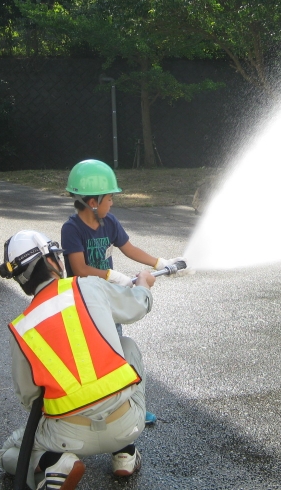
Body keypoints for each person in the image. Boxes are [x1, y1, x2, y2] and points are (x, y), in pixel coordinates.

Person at [0, 230, 154, 490]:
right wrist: (144, 285)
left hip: (67, 437)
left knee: (8, 453)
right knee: (127, 346)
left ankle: (53, 463)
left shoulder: (22, 329)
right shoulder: (88, 285)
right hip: (127, 423)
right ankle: (125, 453)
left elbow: (30, 399)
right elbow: (138, 305)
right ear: (51, 262)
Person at [61, 158, 183, 425]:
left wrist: (159, 263)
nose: (112, 202)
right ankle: (93, 409)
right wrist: (110, 275)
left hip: (108, 301)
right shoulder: (71, 229)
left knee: (117, 352)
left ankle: (129, 407)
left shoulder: (110, 223)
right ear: (93, 202)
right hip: (83, 305)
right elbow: (79, 267)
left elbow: (129, 248)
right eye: (109, 198)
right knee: (92, 357)